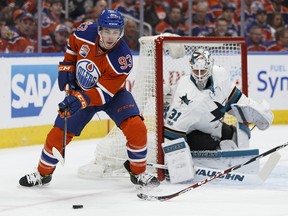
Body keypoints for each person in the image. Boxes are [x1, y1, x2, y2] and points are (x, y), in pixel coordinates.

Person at [19, 9, 160, 188]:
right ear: (99, 29)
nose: (111, 37)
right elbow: (72, 48)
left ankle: (138, 172)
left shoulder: (122, 58)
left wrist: (77, 100)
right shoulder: (84, 32)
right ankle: (43, 174)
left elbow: (103, 93)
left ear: (121, 33)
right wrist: (67, 67)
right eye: (107, 31)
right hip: (81, 90)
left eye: (115, 33)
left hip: (112, 94)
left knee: (137, 127)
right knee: (58, 132)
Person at [163, 48, 273, 151]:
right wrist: (179, 165)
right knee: (212, 144)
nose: (200, 76)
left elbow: (235, 99)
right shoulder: (185, 96)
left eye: (203, 71)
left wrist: (256, 112)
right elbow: (172, 134)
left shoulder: (220, 75)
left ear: (210, 67)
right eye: (196, 71)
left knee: (235, 135)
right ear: (191, 68)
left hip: (213, 126)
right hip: (191, 133)